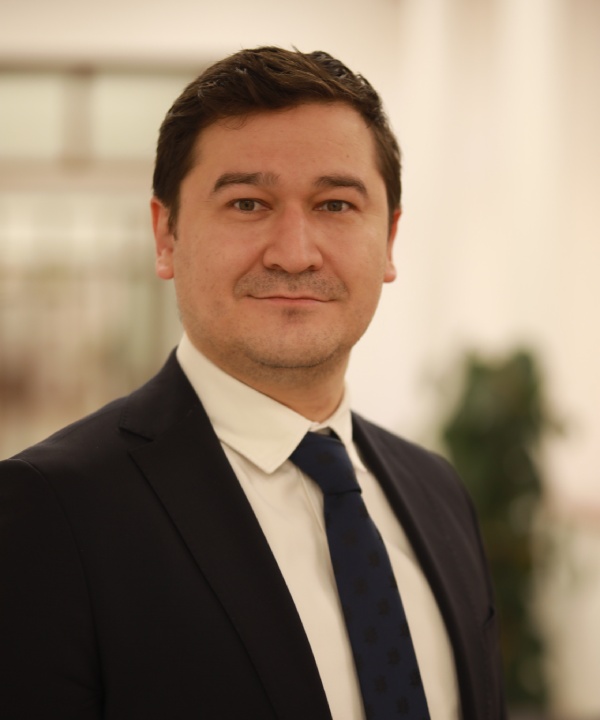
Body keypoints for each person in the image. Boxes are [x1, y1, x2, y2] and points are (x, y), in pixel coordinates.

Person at [0, 47, 505, 719]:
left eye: (335, 204)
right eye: (247, 203)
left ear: (388, 240)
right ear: (166, 235)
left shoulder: (437, 491)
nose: (294, 253)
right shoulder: (51, 511)